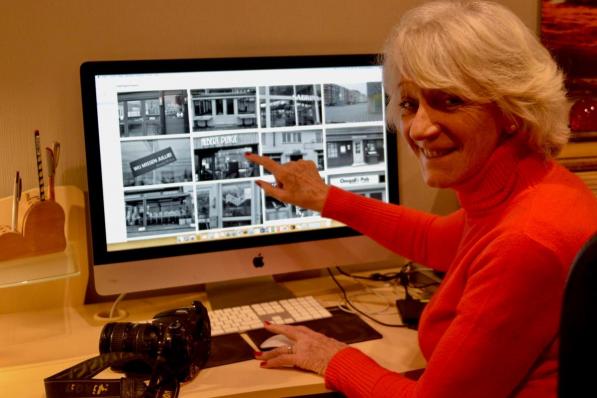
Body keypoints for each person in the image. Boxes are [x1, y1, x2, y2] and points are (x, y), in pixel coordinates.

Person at [244, 1, 597, 397]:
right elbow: (436, 240)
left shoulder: (524, 241)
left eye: (451, 101)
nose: (420, 128)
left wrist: (331, 357)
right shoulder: (539, 188)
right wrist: (325, 198)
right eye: (410, 104)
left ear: (511, 109)